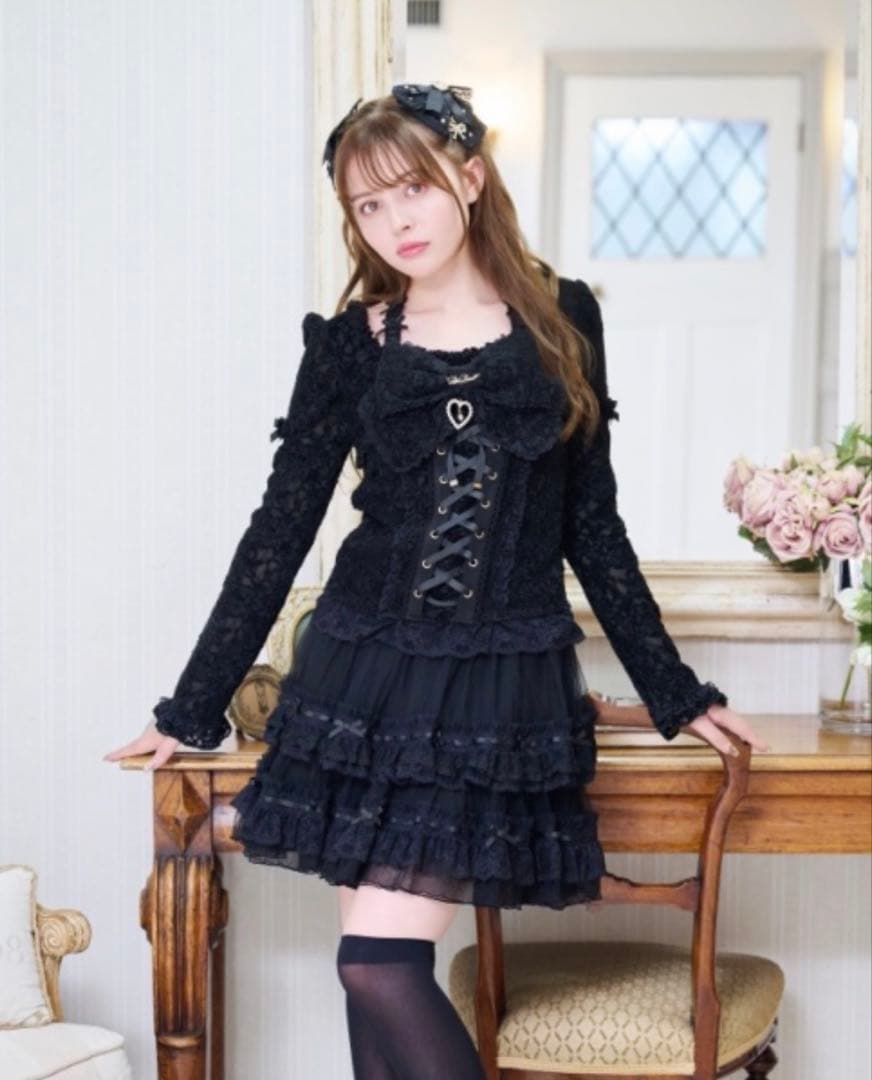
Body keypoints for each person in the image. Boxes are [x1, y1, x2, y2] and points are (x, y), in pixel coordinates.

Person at [103, 83, 769, 1079]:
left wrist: (678, 695)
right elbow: (281, 526)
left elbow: (590, 525)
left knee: (375, 967)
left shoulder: (563, 319)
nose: (394, 222)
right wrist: (191, 706)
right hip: (362, 675)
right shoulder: (352, 346)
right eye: (367, 205)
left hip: (495, 688)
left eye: (411, 188)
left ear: (470, 177)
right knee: (372, 968)